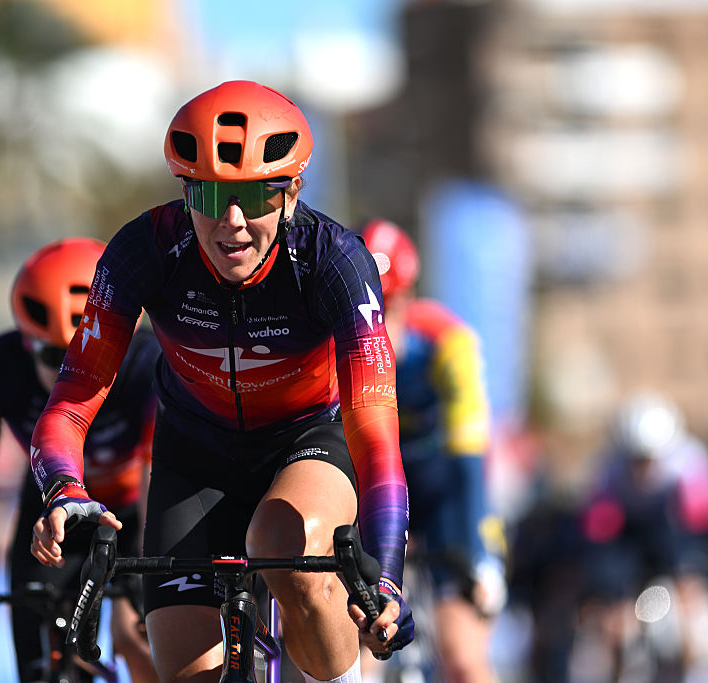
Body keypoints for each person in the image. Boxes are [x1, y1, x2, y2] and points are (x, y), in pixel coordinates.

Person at [28, 80, 415, 683]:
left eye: (257, 195)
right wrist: (63, 488)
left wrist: (385, 574)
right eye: (209, 195)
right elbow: (71, 401)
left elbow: (378, 438)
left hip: (305, 439)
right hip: (194, 456)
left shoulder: (334, 261)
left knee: (281, 542)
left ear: (291, 193)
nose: (231, 222)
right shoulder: (144, 252)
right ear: (186, 192)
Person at [0, 237, 160, 683]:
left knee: (138, 638)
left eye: (91, 355)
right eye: (55, 356)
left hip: (137, 511)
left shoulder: (151, 364)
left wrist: (143, 583)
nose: (75, 372)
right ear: (26, 345)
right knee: (42, 666)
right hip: (50, 512)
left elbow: (156, 475)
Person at [360, 219, 505, 682]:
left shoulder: (449, 344)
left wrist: (481, 560)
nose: (381, 322)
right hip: (376, 499)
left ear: (410, 297)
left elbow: (469, 462)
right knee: (358, 660)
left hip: (445, 499)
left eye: (393, 304)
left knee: (462, 657)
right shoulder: (333, 346)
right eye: (369, 308)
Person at [570, 390, 708, 681]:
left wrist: (688, 579)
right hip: (630, 539)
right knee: (613, 606)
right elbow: (600, 535)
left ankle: (691, 657)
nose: (643, 470)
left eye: (649, 461)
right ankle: (620, 662)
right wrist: (609, 595)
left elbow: (693, 532)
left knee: (688, 593)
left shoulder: (691, 468)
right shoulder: (610, 472)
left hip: (676, 534)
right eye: (637, 460)